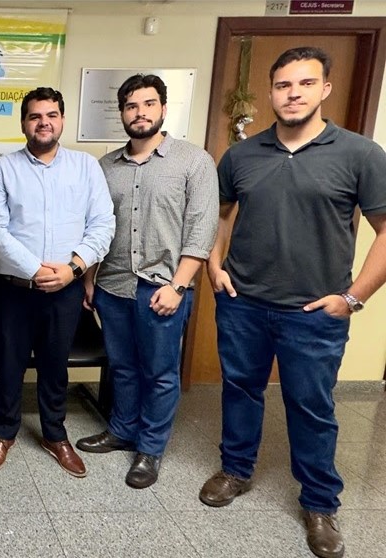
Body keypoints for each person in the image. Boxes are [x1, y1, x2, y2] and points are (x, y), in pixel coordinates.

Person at [197, 47, 386, 558]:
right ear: (271, 92)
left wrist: (353, 297)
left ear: (325, 88)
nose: (293, 94)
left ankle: (320, 503)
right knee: (240, 391)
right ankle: (235, 470)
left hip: (314, 314)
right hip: (243, 303)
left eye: (305, 83)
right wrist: (215, 265)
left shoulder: (360, 154)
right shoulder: (241, 155)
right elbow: (220, 215)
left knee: (312, 407)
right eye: (283, 85)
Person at [76, 74, 218, 489]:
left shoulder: (193, 161)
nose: (140, 113)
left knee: (159, 372)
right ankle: (122, 430)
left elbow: (202, 229)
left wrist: (179, 286)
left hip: (162, 288)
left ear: (163, 109)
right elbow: (94, 227)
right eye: (132, 106)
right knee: (121, 367)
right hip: (112, 284)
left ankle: (150, 449)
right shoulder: (105, 167)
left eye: (148, 104)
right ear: (122, 113)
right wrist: (90, 280)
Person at [0, 87, 115, 477]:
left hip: (65, 289)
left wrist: (73, 269)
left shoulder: (86, 167)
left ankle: (55, 434)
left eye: (51, 115)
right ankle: (3, 432)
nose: (44, 122)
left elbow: (103, 224)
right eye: (35, 116)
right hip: (15, 289)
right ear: (23, 123)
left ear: (62, 120)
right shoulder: (2, 169)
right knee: (10, 364)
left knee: (56, 365)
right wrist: (35, 269)